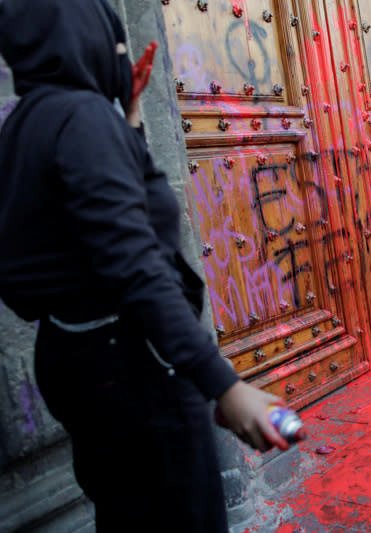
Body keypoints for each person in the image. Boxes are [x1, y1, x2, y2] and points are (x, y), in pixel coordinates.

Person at [0, 0, 290, 530]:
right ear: (80, 38)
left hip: (76, 359)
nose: (120, 56)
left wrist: (130, 117)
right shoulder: (82, 119)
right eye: (114, 43)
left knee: (127, 512)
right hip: (134, 367)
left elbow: (106, 220)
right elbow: (137, 264)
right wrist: (224, 385)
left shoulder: (23, 127)